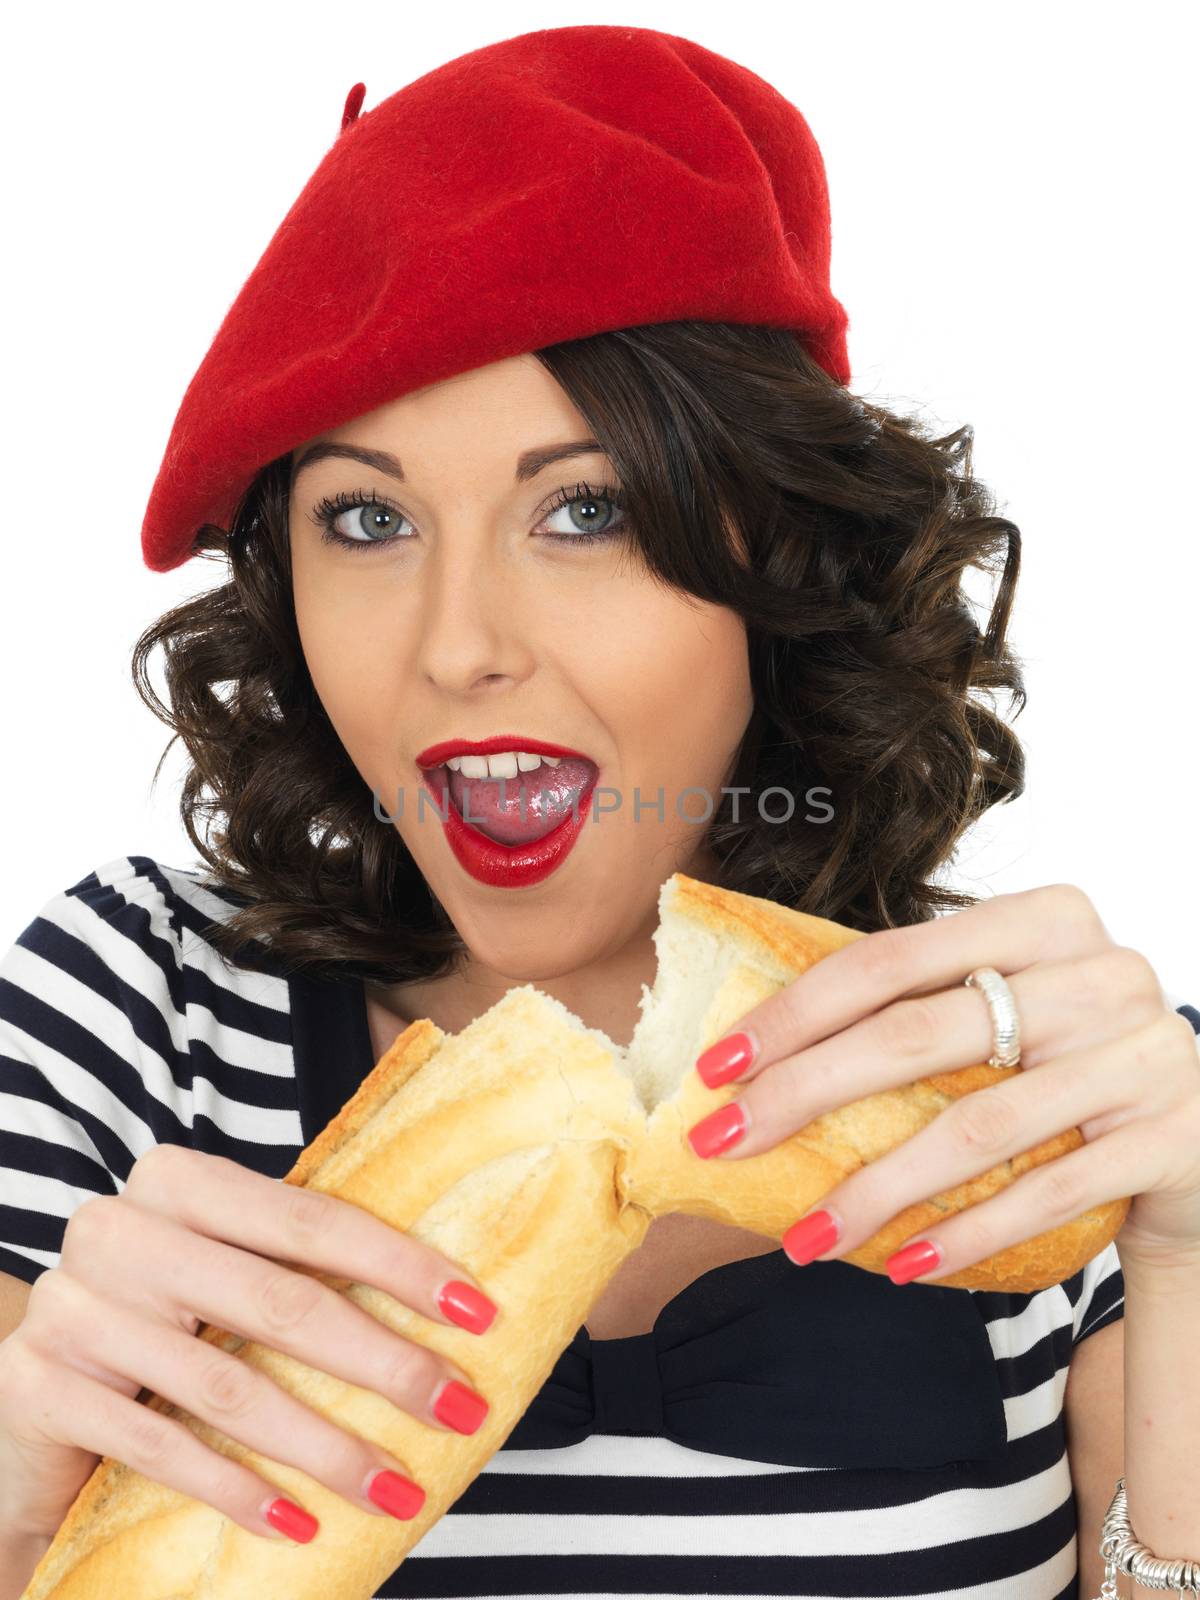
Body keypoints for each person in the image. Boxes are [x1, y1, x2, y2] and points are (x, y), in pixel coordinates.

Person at [3, 24, 1199, 1600]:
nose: (455, 643)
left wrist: (1183, 1265)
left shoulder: (1039, 1090)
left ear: (780, 567)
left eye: (585, 510)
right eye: (365, 519)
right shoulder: (127, 1015)